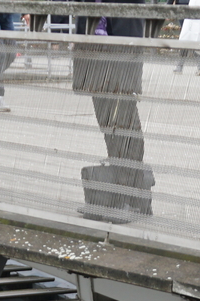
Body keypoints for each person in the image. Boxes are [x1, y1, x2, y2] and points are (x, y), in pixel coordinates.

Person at [72, 0, 153, 221]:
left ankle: (128, 199)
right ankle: (125, 198)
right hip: (97, 66)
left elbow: (130, 26)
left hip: (117, 66)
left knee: (125, 133)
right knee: (111, 130)